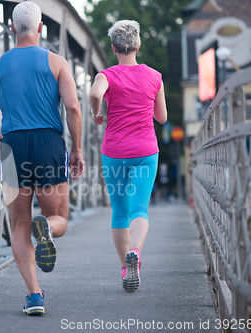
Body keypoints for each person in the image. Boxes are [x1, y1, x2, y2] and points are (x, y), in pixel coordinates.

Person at [0, 1, 85, 315]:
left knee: (20, 224)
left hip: (13, 144)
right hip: (48, 143)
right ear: (41, 27)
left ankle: (34, 295)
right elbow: (74, 109)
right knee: (60, 217)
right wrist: (76, 149)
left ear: (12, 28)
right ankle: (48, 229)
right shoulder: (57, 63)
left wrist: (2, 137)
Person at [89, 20, 168, 292]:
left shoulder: (106, 75)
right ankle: (136, 251)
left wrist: (96, 112)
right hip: (146, 151)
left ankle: (125, 267)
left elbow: (94, 94)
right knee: (140, 210)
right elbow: (162, 117)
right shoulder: (155, 77)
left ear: (113, 48)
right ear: (138, 45)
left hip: (114, 152)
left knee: (120, 213)